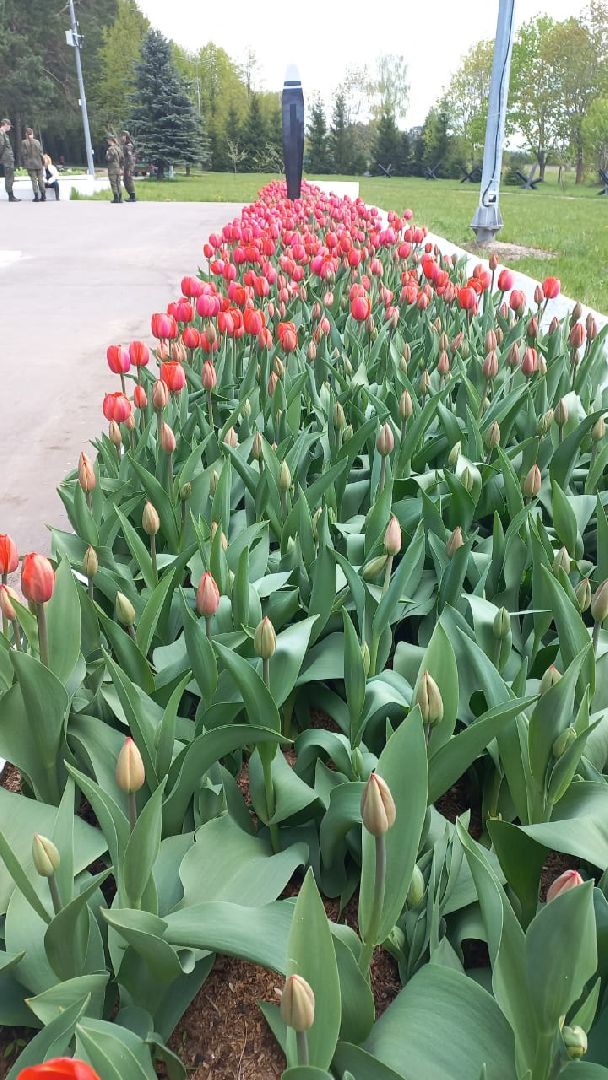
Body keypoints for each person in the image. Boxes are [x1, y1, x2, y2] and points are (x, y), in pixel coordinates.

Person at [21, 127, 45, 201]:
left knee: (34, 180)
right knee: (41, 180)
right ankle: (43, 196)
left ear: (26, 134)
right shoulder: (37, 142)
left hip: (30, 165)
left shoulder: (24, 142)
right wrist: (43, 162)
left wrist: (25, 163)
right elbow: (41, 153)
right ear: (32, 134)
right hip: (39, 164)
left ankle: (36, 197)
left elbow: (24, 154)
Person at [0, 117, 18, 202]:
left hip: (8, 158)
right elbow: (1, 146)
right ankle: (11, 196)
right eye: (9, 125)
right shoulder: (1, 133)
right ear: (5, 125)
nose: (10, 127)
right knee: (9, 177)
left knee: (10, 177)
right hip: (6, 159)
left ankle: (11, 195)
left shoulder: (4, 134)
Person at [106, 134, 123, 203]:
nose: (107, 142)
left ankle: (116, 198)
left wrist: (107, 155)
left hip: (112, 168)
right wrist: (121, 167)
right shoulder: (118, 148)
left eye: (108, 140)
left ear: (111, 140)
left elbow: (110, 158)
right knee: (118, 183)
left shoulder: (111, 149)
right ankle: (120, 198)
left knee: (113, 183)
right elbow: (122, 158)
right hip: (118, 167)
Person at [122, 131, 136, 202]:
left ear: (126, 136)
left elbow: (130, 158)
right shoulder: (126, 145)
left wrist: (130, 169)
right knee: (125, 181)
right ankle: (131, 195)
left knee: (129, 180)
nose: (122, 137)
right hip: (126, 165)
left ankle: (132, 197)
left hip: (129, 166)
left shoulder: (128, 147)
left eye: (123, 136)